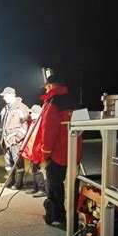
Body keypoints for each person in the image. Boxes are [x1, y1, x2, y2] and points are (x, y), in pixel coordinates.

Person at [39, 75, 82, 225]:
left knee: (54, 185)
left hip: (56, 154)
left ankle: (58, 214)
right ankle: (74, 213)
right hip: (73, 151)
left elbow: (48, 131)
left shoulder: (53, 104)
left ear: (51, 86)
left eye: (46, 87)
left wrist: (45, 153)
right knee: (71, 184)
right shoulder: (75, 102)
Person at [0, 86, 29, 190]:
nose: (4, 98)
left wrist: (16, 138)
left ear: (11, 95)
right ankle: (10, 180)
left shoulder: (21, 108)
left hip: (15, 142)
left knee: (17, 162)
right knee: (8, 163)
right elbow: (2, 125)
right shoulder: (6, 108)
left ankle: (19, 183)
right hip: (5, 141)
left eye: (5, 96)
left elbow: (25, 125)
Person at [22, 104, 46, 198]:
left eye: (32, 113)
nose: (30, 114)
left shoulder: (40, 123)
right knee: (33, 168)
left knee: (36, 169)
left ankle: (42, 189)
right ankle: (35, 187)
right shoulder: (34, 122)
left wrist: (38, 149)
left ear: (37, 113)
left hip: (37, 150)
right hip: (33, 150)